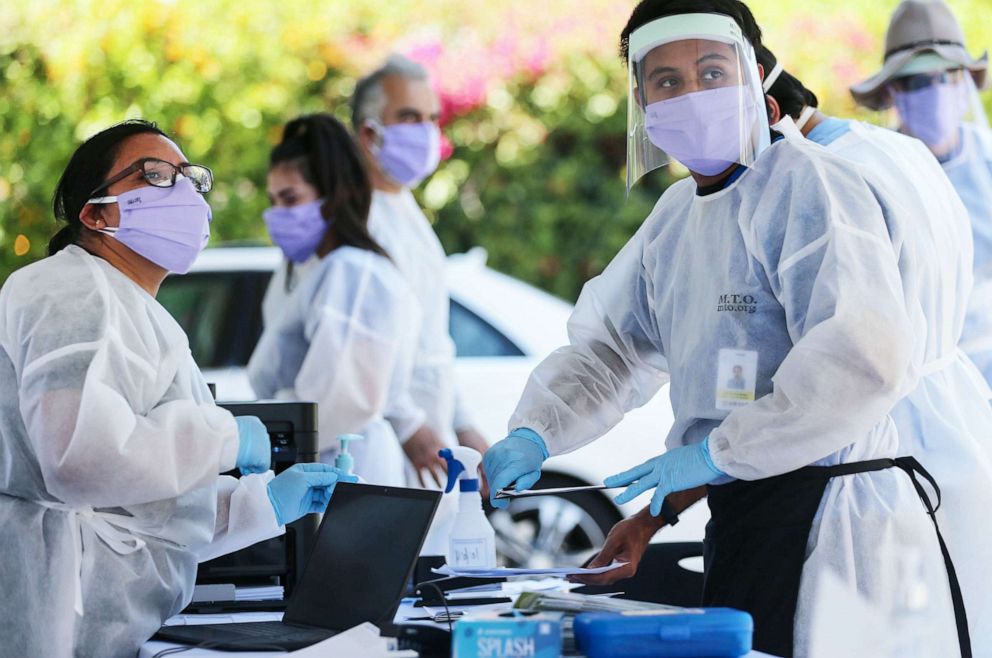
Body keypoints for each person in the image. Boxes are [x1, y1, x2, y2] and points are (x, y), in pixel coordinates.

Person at [482, 2, 969, 656]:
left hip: (834, 520)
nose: (692, 95)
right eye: (667, 81)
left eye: (712, 72)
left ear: (758, 78)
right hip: (744, 514)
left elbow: (858, 360)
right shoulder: (677, 218)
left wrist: (713, 456)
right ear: (641, 99)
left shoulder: (811, 187)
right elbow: (611, 352)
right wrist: (540, 432)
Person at [0, 120, 353, 658]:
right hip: (44, 619)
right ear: (95, 214)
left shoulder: (135, 310)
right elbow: (79, 459)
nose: (184, 192)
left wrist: (259, 507)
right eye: (156, 176)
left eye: (190, 178)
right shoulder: (70, 288)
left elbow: (135, 506)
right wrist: (225, 437)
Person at [248, 114, 421, 486]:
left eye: (290, 198)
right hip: (322, 463)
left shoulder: (353, 272)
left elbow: (338, 401)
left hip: (342, 465)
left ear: (331, 196)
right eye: (274, 200)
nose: (278, 214)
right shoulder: (312, 271)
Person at [351, 54, 490, 490]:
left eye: (431, 118)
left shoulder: (407, 211)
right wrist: (408, 423)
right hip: (382, 445)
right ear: (369, 132)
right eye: (408, 117)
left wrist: (462, 422)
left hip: (430, 439)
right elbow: (358, 347)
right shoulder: (352, 221)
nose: (425, 131)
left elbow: (431, 340)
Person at [851, 0, 992, 386]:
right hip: (912, 383)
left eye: (947, 75)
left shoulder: (988, 161)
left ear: (965, 80)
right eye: (916, 82)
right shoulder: (871, 174)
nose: (936, 90)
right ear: (892, 92)